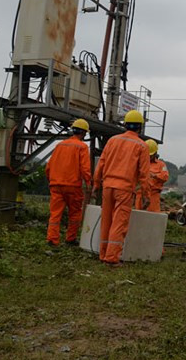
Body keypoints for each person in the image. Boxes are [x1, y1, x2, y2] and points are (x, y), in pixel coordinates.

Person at [93, 110, 150, 266]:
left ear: (125, 124)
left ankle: (103, 253)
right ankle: (112, 258)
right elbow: (144, 174)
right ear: (140, 127)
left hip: (107, 186)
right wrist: (146, 195)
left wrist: (96, 183)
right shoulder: (142, 146)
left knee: (106, 220)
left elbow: (101, 164)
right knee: (119, 223)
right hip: (124, 189)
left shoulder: (112, 140)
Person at [45, 118, 92, 247]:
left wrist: (52, 180)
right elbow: (85, 168)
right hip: (73, 186)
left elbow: (48, 167)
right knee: (75, 213)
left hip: (56, 185)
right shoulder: (82, 147)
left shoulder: (60, 145)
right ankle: (70, 239)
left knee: (55, 214)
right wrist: (89, 183)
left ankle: (52, 239)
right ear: (84, 133)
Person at [134, 139, 169, 212]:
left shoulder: (161, 165)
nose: (148, 157)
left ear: (155, 153)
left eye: (150, 155)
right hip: (140, 194)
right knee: (138, 218)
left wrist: (155, 176)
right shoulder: (138, 163)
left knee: (152, 218)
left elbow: (165, 176)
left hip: (153, 195)